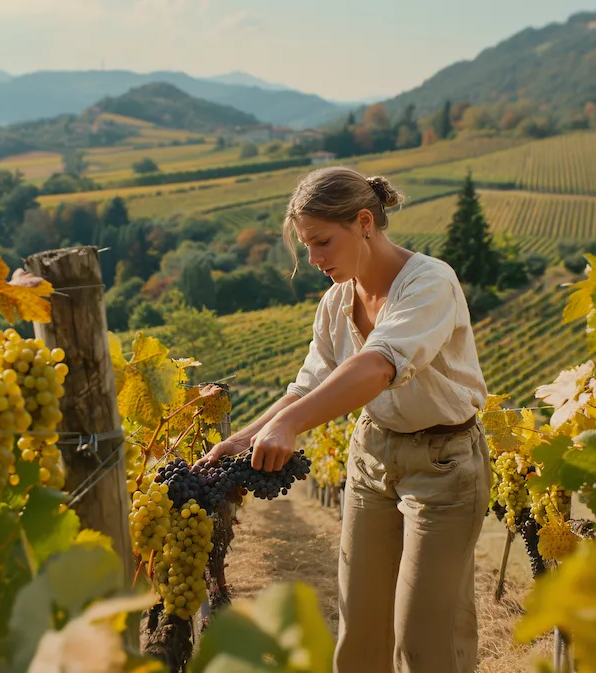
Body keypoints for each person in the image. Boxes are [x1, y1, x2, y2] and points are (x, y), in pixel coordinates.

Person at [197, 166, 491, 673]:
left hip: (443, 467)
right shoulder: (335, 302)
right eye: (305, 246)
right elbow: (306, 387)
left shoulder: (429, 282)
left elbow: (378, 365)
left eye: (321, 242)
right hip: (372, 457)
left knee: (426, 642)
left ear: (364, 222)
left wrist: (288, 428)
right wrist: (244, 439)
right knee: (359, 638)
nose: (313, 259)